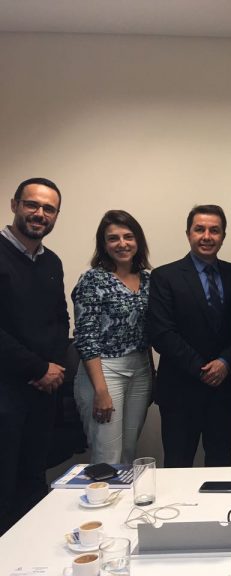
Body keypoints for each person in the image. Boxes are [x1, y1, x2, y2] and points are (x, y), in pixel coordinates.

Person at [0, 177, 69, 535]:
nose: (40, 213)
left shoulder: (51, 262)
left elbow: (60, 319)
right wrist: (38, 367)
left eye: (49, 209)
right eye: (32, 204)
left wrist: (53, 368)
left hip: (43, 391)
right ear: (15, 205)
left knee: (32, 480)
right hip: (6, 391)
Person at [148, 205, 231, 467]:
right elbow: (162, 333)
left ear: (223, 236)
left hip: (224, 387)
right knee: (178, 464)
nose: (207, 236)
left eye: (214, 230)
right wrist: (202, 369)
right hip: (180, 389)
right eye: (200, 229)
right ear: (188, 233)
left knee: (221, 463)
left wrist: (225, 362)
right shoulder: (164, 276)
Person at [72, 210, 153, 465]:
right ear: (104, 244)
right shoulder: (93, 279)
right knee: (107, 457)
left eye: (128, 236)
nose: (122, 244)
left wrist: (152, 372)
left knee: (128, 452)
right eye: (113, 238)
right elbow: (86, 336)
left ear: (138, 240)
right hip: (104, 371)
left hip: (140, 370)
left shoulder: (148, 279)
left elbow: (149, 330)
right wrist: (101, 391)